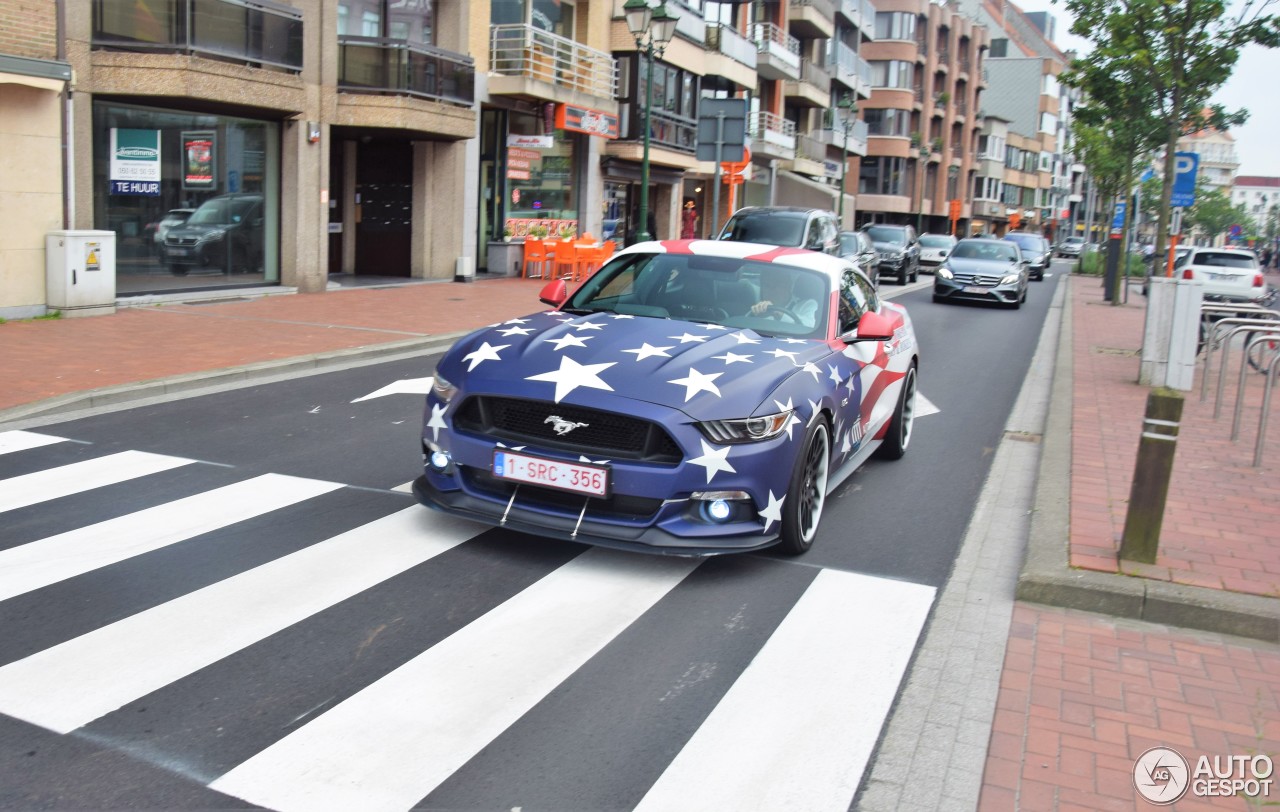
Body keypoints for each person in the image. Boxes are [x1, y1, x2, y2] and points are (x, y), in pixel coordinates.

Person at [750, 266, 818, 327]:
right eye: (767, 286)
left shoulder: (807, 304)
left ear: (788, 286)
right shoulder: (757, 307)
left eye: (777, 285)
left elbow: (810, 326)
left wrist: (779, 313)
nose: (771, 290)